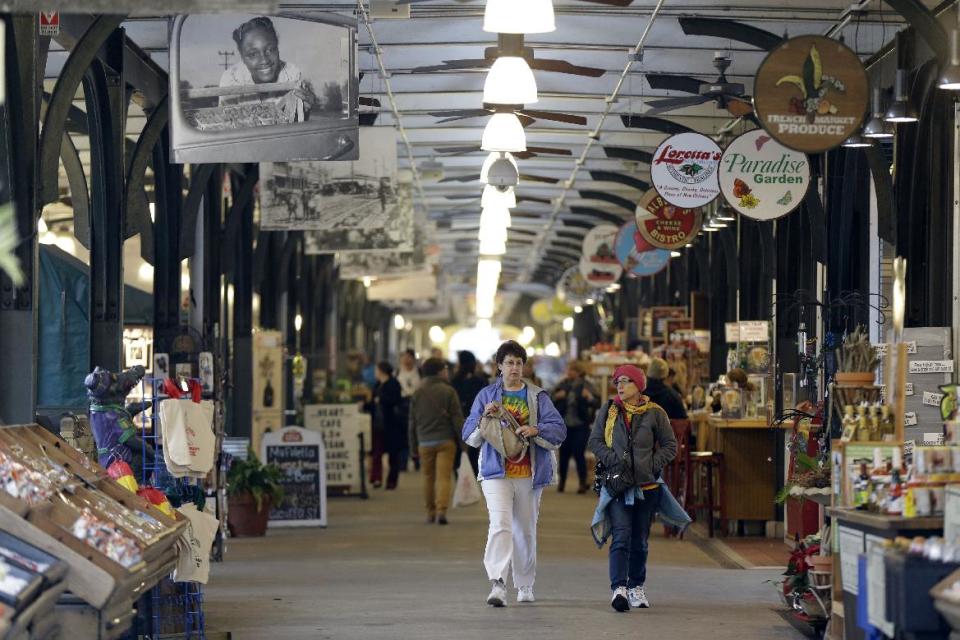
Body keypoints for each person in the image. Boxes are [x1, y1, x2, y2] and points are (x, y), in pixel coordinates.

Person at [462, 340, 566, 607]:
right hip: (495, 473)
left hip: (529, 474)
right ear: (499, 366)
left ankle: (525, 584)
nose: (515, 368)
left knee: (525, 530)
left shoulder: (538, 396)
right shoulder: (486, 396)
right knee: (500, 525)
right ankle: (497, 583)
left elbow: (559, 429)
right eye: (509, 363)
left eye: (519, 363)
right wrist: (484, 417)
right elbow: (469, 435)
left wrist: (536, 430)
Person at [588, 364, 680, 612]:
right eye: (618, 380)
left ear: (639, 385)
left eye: (626, 381)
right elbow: (595, 441)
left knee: (640, 539)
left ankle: (636, 586)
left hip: (647, 486)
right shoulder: (608, 411)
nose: (620, 385)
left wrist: (651, 464)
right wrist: (613, 461)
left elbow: (670, 446)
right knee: (621, 536)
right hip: (618, 485)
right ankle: (618, 588)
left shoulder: (655, 413)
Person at [219, 16, 318, 121]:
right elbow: (226, 128)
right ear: (243, 57)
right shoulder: (231, 79)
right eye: (253, 54)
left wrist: (305, 109)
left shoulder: (291, 75)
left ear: (278, 48)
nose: (264, 60)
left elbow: (296, 125)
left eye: (270, 50)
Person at [408, 358, 463, 525]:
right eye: (445, 369)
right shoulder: (448, 391)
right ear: (440, 372)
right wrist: (464, 442)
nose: (447, 372)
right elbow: (457, 419)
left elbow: (412, 422)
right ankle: (441, 511)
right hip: (446, 441)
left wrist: (412, 446)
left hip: (424, 442)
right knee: (444, 478)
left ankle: (430, 512)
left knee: (427, 477)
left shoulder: (417, 392)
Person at [552, 361, 599, 493]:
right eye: (568, 369)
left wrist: (589, 397)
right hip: (564, 425)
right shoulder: (563, 384)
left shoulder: (587, 385)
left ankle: (582, 483)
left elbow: (596, 401)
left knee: (579, 454)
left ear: (578, 371)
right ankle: (561, 483)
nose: (568, 372)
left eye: (571, 369)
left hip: (581, 425)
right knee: (564, 454)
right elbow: (550, 398)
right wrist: (557, 396)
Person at [451, 351, 488, 478]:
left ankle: (461, 479)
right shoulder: (481, 381)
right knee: (473, 452)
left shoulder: (453, 381)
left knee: (459, 452)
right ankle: (473, 478)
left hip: (458, 421)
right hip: (476, 421)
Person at [373, 362, 404, 490]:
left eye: (377, 369)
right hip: (377, 423)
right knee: (376, 452)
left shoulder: (393, 384)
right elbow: (372, 400)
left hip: (391, 423)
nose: (376, 372)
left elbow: (396, 400)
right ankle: (376, 478)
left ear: (382, 370)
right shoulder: (377, 384)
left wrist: (381, 400)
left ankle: (392, 480)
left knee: (393, 453)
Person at [396, 349, 421, 470]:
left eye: (408, 357)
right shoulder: (397, 372)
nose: (406, 359)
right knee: (403, 435)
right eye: (404, 357)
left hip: (417, 404)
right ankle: (403, 463)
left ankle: (417, 460)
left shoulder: (419, 372)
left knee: (416, 433)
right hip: (402, 405)